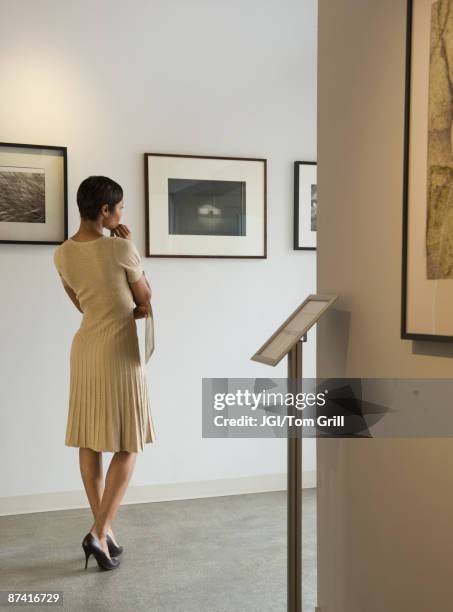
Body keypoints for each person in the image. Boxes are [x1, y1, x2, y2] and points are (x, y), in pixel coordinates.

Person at [53, 175, 156, 571]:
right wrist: (128, 247)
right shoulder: (121, 248)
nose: (122, 213)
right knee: (128, 443)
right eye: (120, 207)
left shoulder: (62, 254)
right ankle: (99, 532)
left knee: (90, 439)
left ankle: (104, 531)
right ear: (105, 210)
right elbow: (144, 302)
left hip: (85, 351)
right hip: (118, 352)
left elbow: (82, 305)